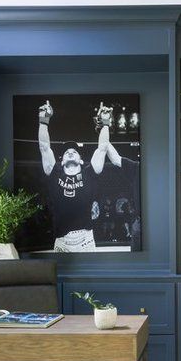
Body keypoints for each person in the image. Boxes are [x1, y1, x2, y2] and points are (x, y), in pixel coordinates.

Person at [38, 100, 138, 252]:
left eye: (74, 152)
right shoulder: (54, 172)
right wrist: (43, 121)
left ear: (81, 160)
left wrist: (105, 123)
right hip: (62, 241)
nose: (70, 152)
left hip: (86, 240)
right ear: (62, 160)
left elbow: (103, 147)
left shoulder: (89, 173)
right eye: (66, 152)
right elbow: (44, 147)